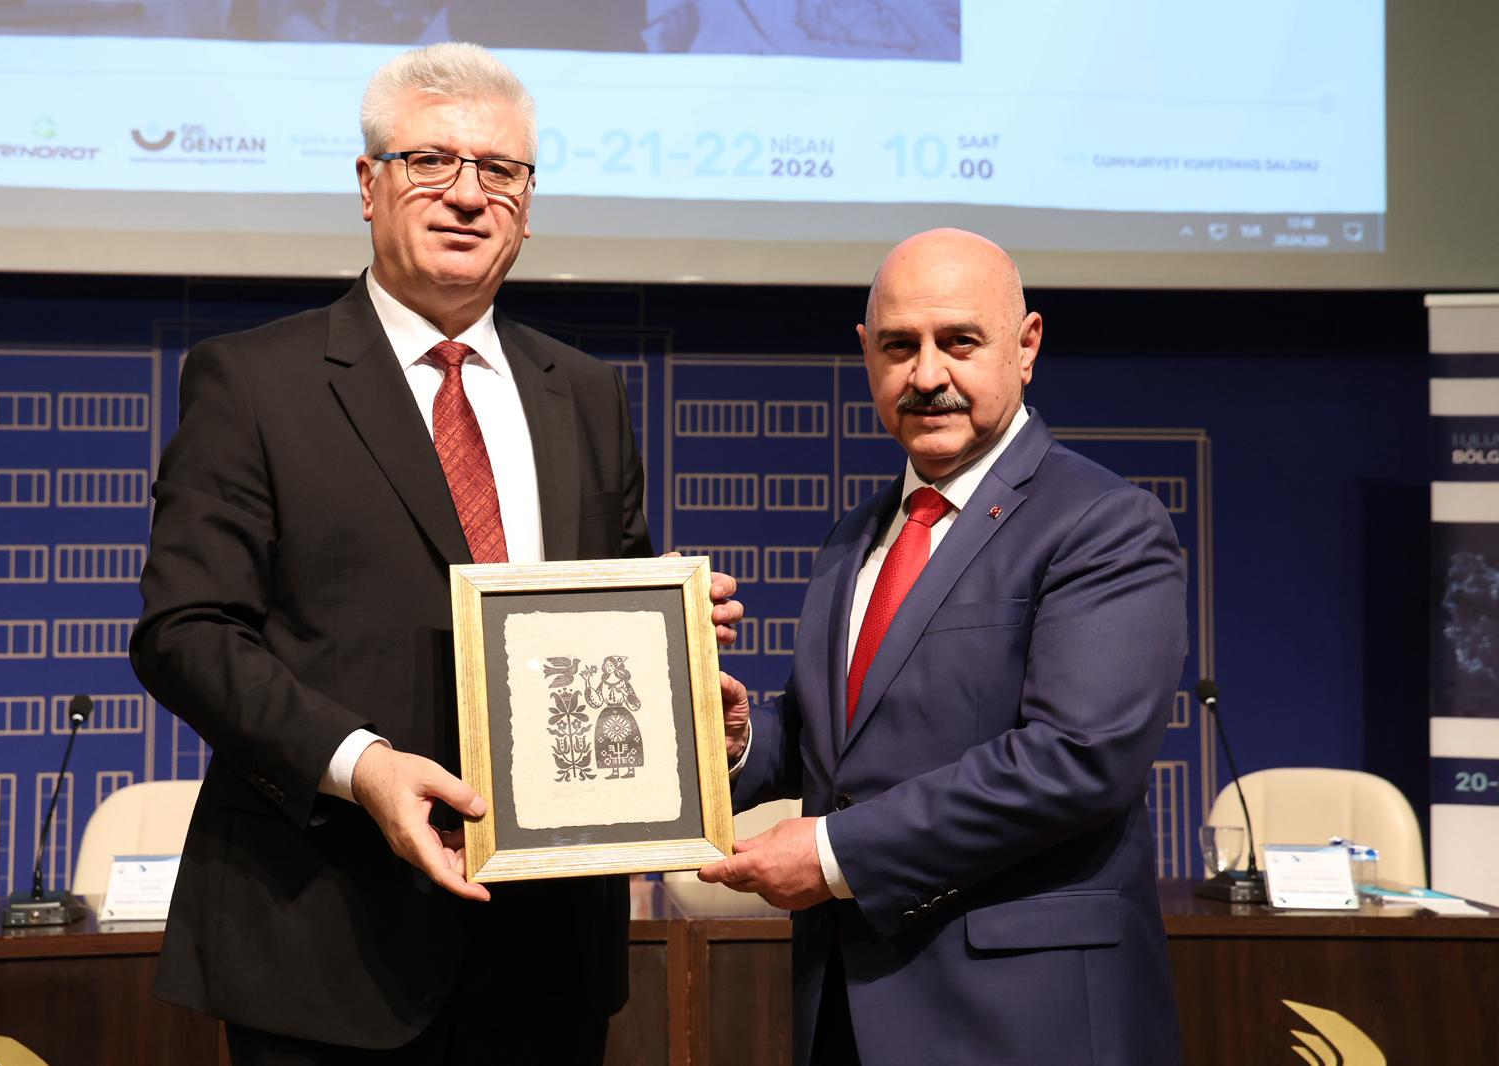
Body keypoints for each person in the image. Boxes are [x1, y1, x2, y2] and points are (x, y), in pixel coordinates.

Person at [131, 42, 739, 1065]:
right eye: (430, 162)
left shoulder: (587, 393)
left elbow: (602, 615)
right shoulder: (254, 382)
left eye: (499, 170)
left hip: (548, 956)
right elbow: (185, 633)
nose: (466, 195)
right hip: (326, 941)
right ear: (368, 185)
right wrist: (362, 766)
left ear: (528, 207)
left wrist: (677, 677)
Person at [699, 229, 1186, 1065]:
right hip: (845, 1007)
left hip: (1024, 1023)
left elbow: (1076, 760)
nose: (927, 375)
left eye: (959, 342)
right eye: (899, 346)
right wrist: (742, 738)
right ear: (866, 355)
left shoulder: (1104, 523)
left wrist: (831, 854)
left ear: (1026, 347)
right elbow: (837, 748)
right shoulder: (855, 535)